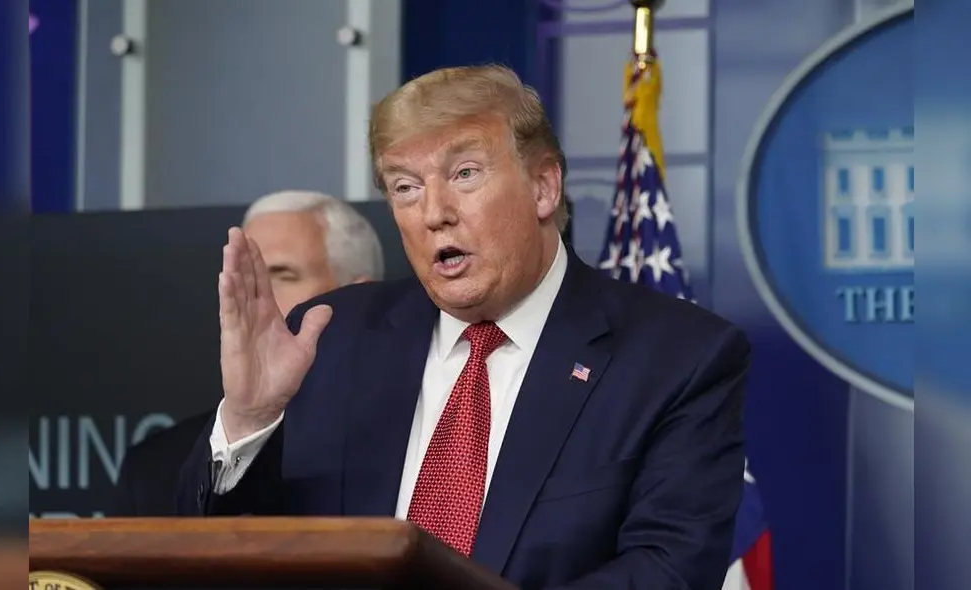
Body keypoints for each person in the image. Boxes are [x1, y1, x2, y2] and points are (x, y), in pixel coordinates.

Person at [177, 65, 751, 590]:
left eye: (465, 173)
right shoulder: (329, 338)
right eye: (405, 187)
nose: (434, 212)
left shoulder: (676, 357)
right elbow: (222, 556)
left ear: (543, 187)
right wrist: (249, 420)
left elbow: (669, 570)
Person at [111, 191, 384, 516]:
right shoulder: (154, 470)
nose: (253, 293)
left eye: (283, 275)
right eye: (246, 276)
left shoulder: (414, 446)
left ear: (358, 297)